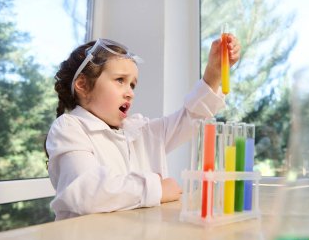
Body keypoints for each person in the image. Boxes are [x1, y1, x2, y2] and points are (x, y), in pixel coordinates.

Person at [45, 36, 241, 220]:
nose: (130, 93)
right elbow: (87, 191)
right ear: (83, 85)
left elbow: (192, 117)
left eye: (133, 85)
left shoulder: (141, 131)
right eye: (120, 80)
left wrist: (214, 72)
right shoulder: (69, 127)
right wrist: (157, 188)